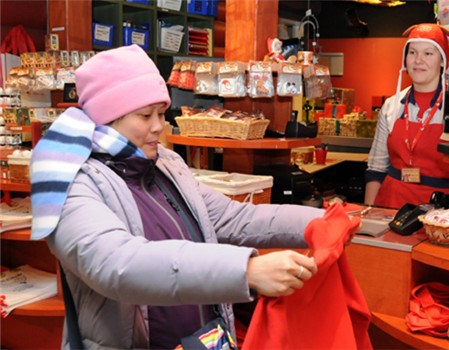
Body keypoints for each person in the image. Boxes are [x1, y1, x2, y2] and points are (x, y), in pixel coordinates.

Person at [30, 44, 332, 349]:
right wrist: (246, 270)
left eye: (162, 113)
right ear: (108, 118)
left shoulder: (166, 165)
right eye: (145, 115)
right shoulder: (74, 183)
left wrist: (323, 222)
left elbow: (235, 218)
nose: (159, 127)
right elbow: (119, 264)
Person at [364, 23, 449, 210]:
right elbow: (376, 169)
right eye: (412, 53)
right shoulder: (392, 106)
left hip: (445, 213)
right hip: (391, 207)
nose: (418, 60)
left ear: (443, 60)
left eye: (428, 54)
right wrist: (368, 213)